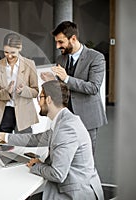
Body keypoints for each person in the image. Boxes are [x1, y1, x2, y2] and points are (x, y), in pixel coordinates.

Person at [0, 80, 104, 200]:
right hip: (72, 186)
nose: (38, 102)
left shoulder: (66, 129)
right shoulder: (64, 120)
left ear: (48, 99)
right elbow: (35, 138)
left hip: (75, 194)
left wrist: (37, 165)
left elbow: (57, 174)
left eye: (40, 98)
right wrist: (3, 136)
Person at [41, 21, 107, 154]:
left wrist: (66, 78)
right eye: (56, 42)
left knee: (86, 157)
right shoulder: (61, 59)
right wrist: (52, 81)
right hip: (65, 116)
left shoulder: (96, 58)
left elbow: (93, 88)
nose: (58, 46)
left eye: (61, 42)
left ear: (73, 39)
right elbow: (62, 88)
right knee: (64, 153)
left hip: (87, 117)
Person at [0, 32, 39, 134]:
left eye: (13, 52)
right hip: (4, 112)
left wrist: (23, 90)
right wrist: (6, 92)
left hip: (24, 112)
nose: (9, 56)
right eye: (6, 52)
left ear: (20, 48)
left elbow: (35, 92)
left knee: (24, 146)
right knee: (2, 147)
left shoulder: (29, 64)